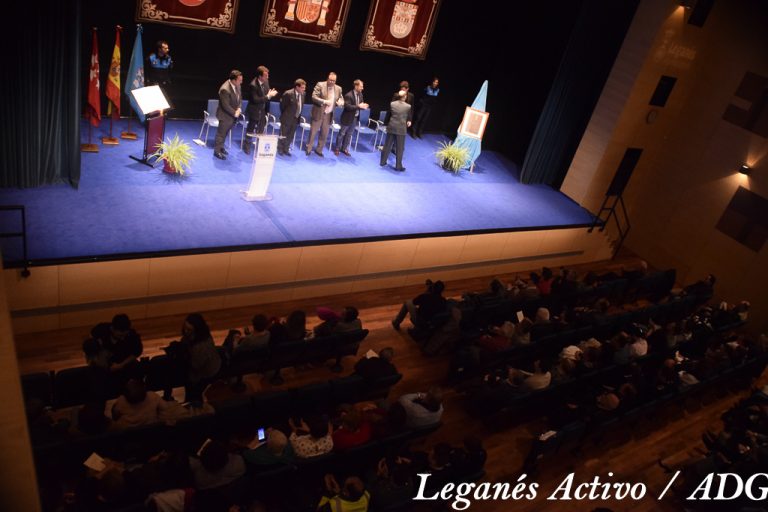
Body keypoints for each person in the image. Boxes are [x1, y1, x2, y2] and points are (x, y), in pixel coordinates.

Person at [306, 72, 344, 157]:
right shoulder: (320, 84)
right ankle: (308, 148)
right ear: (327, 79)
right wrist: (324, 101)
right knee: (313, 132)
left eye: (334, 81)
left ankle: (319, 150)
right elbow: (314, 97)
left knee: (324, 134)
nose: (332, 82)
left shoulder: (338, 88)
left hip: (329, 114)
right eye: (330, 80)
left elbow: (341, 98)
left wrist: (341, 102)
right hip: (319, 112)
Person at [244, 65, 278, 155]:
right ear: (260, 76)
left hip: (262, 110)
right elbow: (256, 100)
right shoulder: (253, 85)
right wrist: (268, 96)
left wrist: (269, 95)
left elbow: (266, 96)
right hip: (254, 110)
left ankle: (260, 146)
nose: (267, 77)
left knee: (261, 129)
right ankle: (246, 146)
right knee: (250, 130)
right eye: (265, 76)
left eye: (267, 75)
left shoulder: (266, 82)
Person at [333, 79, 369, 156]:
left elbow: (360, 105)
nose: (362, 88)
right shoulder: (348, 95)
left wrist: (364, 106)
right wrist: (358, 106)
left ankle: (344, 148)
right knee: (342, 134)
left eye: (362, 87)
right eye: (361, 86)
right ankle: (337, 148)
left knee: (349, 134)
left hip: (355, 118)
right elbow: (347, 107)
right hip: (347, 117)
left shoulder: (360, 95)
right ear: (356, 86)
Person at [379, 90, 412, 172]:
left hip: (391, 127)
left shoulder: (392, 104)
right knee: (400, 148)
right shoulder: (408, 106)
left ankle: (382, 162)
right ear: (405, 96)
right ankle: (398, 166)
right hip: (401, 129)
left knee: (387, 146)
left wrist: (386, 125)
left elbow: (388, 115)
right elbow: (408, 116)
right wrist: (408, 121)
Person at [214, 70, 243, 160]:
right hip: (225, 116)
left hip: (232, 116)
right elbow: (225, 105)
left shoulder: (238, 86)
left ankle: (221, 147)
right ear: (233, 80)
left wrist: (239, 108)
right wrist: (235, 113)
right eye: (239, 80)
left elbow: (240, 98)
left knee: (225, 133)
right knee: (221, 134)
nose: (241, 82)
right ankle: (217, 151)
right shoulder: (225, 89)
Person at [278, 79, 306, 156]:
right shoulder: (288, 94)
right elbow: (282, 106)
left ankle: (286, 149)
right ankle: (280, 148)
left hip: (296, 119)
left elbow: (301, 106)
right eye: (302, 87)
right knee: (283, 134)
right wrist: (286, 115)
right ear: (297, 87)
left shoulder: (303, 94)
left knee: (290, 135)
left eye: (304, 88)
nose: (304, 89)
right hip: (287, 118)